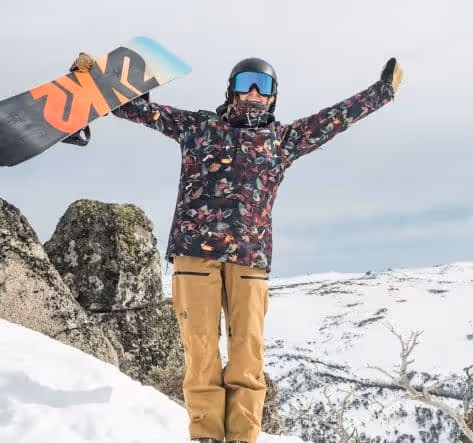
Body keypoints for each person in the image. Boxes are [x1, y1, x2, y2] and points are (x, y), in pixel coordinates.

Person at [71, 52, 403, 443]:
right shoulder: (199, 127)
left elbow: (335, 119)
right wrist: (93, 82)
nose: (252, 93)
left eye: (262, 86)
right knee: (201, 353)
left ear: (272, 97)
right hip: (195, 255)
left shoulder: (283, 141)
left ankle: (244, 436)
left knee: (247, 356)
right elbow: (144, 112)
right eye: (245, 83)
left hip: (250, 262)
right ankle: (206, 435)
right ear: (231, 90)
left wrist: (382, 93)